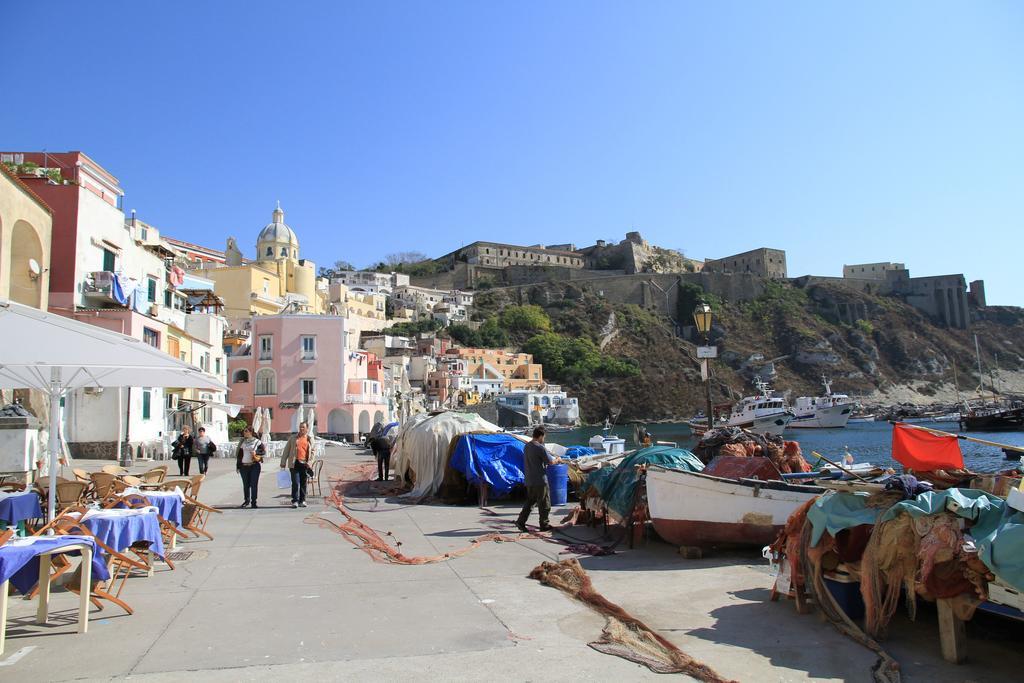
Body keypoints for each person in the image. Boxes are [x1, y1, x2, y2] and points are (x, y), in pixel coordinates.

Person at [516, 426, 559, 533]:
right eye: (544, 437)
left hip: (529, 480)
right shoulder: (540, 447)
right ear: (540, 436)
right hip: (540, 480)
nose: (544, 439)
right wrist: (558, 459)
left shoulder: (527, 446)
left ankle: (521, 521)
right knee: (545, 503)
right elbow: (550, 462)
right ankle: (544, 524)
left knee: (530, 502)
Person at [280, 421, 315, 508]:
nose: (301, 429)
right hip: (294, 463)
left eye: (303, 427)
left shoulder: (309, 439)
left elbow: (313, 451)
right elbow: (286, 451)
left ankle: (302, 500)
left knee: (303, 483)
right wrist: (283, 463)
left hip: (305, 464)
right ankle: (295, 500)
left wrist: (310, 462)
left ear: (307, 429)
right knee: (295, 482)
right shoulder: (293, 438)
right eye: (300, 427)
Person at [235, 426, 266, 508]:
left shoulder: (257, 442)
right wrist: (238, 466)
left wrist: (255, 453)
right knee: (246, 484)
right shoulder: (243, 442)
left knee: (253, 484)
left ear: (250, 432)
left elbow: (263, 452)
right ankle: (246, 500)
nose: (244, 433)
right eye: (244, 431)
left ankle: (254, 502)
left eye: (246, 431)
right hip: (244, 466)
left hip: (254, 466)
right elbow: (240, 455)